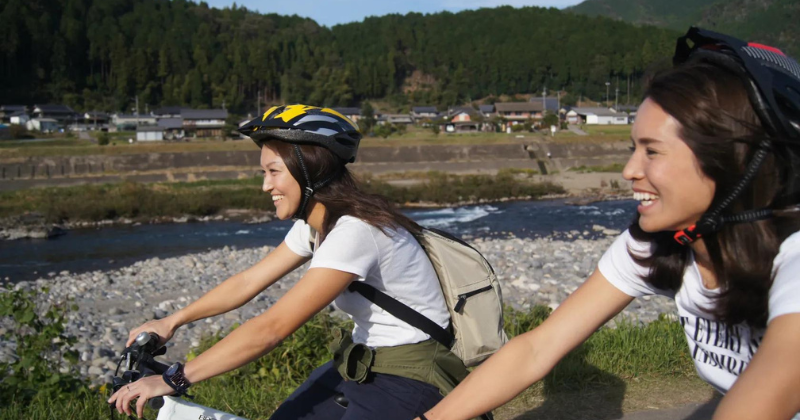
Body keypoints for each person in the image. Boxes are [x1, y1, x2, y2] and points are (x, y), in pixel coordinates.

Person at [416, 27, 800, 420]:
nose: (629, 170)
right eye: (633, 148)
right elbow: (536, 349)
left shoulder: (794, 262)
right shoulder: (659, 245)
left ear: (732, 160)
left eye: (652, 151)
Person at [109, 105, 470, 419]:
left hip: (414, 377)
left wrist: (175, 378)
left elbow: (274, 328)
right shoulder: (317, 226)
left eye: (273, 171)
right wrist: (171, 321)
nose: (265, 185)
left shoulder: (355, 232)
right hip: (363, 363)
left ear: (309, 170)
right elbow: (247, 282)